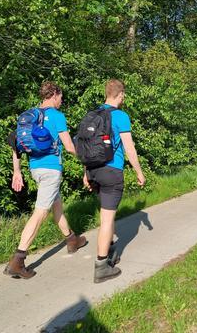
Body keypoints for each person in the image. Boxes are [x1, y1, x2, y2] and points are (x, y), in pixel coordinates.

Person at [5, 81, 87, 279]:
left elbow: (15, 144)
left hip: (35, 169)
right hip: (51, 170)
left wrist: (17, 171)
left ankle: (71, 240)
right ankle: (18, 259)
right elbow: (69, 146)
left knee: (56, 205)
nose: (61, 101)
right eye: (61, 97)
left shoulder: (30, 114)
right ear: (54, 94)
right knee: (40, 213)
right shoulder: (57, 116)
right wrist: (88, 157)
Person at [83, 79, 146, 283]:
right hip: (111, 171)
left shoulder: (93, 114)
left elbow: (87, 146)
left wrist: (86, 173)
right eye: (123, 95)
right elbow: (129, 148)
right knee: (108, 219)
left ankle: (109, 253)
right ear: (121, 95)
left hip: (94, 171)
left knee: (105, 216)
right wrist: (139, 171)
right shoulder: (120, 116)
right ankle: (101, 266)